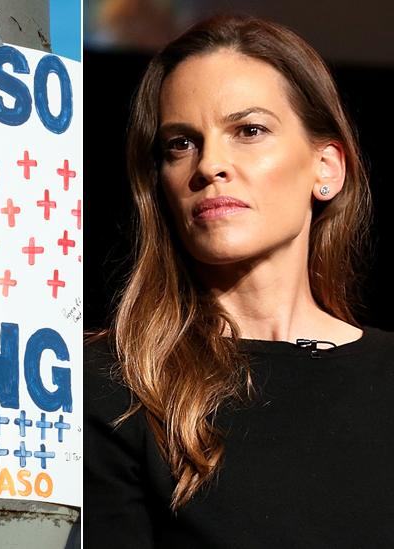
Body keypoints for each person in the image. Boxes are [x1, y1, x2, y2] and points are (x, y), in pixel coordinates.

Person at [84, 15, 394, 547]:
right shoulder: (115, 385)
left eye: (249, 131)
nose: (210, 165)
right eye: (180, 143)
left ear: (326, 168)